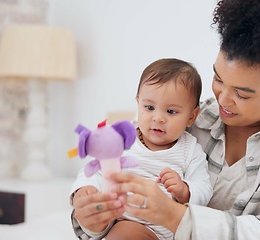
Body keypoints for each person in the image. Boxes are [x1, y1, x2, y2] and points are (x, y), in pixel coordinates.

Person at [71, 0, 260, 239]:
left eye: (241, 93)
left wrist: (175, 216)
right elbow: (106, 203)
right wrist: (90, 219)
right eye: (218, 79)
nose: (222, 100)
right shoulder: (182, 119)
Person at [70, 58, 213, 240]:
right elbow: (95, 169)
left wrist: (185, 190)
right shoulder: (121, 138)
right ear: (138, 103)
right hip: (127, 222)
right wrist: (85, 189)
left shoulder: (190, 149)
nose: (158, 118)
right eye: (149, 107)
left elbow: (204, 188)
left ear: (192, 116)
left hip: (170, 229)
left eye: (171, 111)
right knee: (121, 231)